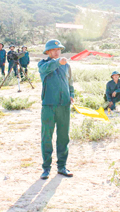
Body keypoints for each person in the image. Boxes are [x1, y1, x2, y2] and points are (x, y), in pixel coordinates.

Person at [38, 39, 75, 180]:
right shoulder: (43, 64)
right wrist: (58, 62)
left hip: (64, 106)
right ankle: (46, 168)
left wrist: (71, 95)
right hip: (48, 106)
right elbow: (46, 69)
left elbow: (70, 83)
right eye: (53, 50)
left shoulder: (66, 66)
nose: (57, 52)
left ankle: (62, 166)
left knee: (63, 137)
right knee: (46, 137)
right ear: (48, 52)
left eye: (58, 49)